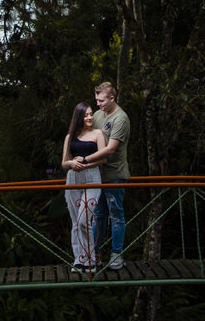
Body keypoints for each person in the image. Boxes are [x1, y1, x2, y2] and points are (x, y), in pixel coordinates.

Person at [77, 81, 130, 270]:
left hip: (115, 174)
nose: (97, 104)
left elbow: (110, 149)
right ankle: (94, 255)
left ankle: (116, 255)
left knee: (115, 214)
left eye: (101, 101)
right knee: (98, 215)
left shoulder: (120, 118)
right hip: (97, 175)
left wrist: (85, 160)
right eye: (96, 100)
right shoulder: (98, 115)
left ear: (112, 98)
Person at [61, 101, 105, 273]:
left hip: (92, 176)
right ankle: (79, 259)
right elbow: (64, 162)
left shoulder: (97, 134)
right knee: (75, 221)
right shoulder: (70, 137)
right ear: (79, 117)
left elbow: (103, 159)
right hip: (73, 178)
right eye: (86, 115)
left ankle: (91, 259)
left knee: (83, 220)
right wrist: (72, 163)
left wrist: (85, 164)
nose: (89, 117)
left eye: (91, 114)